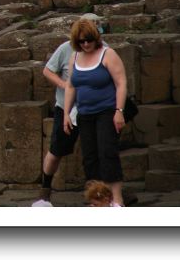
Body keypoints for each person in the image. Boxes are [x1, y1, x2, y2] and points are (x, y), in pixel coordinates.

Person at [38, 13, 107, 201]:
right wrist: (64, 86)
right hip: (66, 109)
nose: (87, 41)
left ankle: (101, 194)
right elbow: (47, 70)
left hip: (92, 109)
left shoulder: (105, 50)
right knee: (57, 150)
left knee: (95, 152)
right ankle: (45, 189)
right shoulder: (66, 49)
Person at [63, 16, 128, 207]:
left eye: (88, 40)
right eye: (81, 41)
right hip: (85, 113)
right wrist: (66, 113)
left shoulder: (108, 54)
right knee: (89, 156)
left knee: (108, 152)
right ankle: (97, 198)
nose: (85, 44)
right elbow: (70, 86)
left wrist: (119, 110)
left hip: (106, 110)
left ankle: (117, 199)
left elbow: (121, 83)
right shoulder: (75, 57)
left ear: (95, 38)